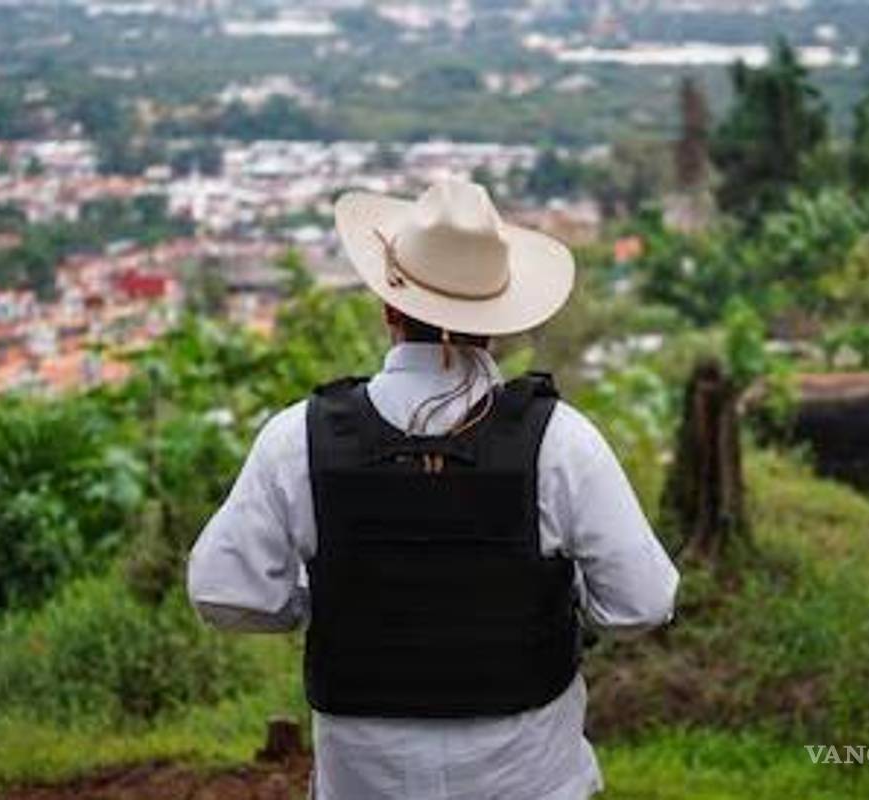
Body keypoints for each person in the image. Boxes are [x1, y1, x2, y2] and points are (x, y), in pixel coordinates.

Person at [187, 178, 680, 800]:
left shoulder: (298, 439)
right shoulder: (561, 441)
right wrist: (546, 597)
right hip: (531, 781)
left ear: (389, 305)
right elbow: (644, 602)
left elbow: (223, 593)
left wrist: (327, 598)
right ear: (497, 322)